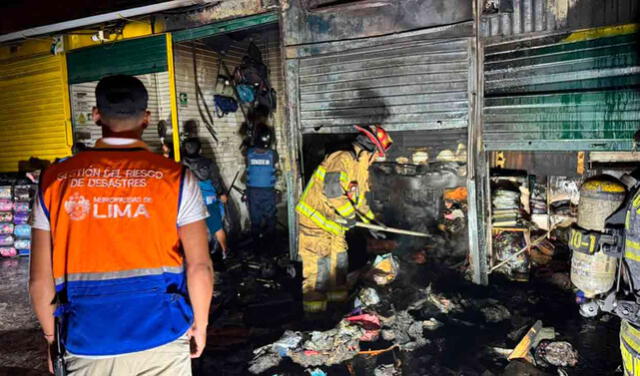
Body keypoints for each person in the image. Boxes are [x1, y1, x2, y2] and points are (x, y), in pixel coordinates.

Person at [29, 75, 213, 375]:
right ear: (147, 118)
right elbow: (200, 267)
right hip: (162, 335)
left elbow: (38, 280)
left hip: (87, 340)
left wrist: (52, 340)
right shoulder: (176, 178)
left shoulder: (53, 180)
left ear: (96, 115)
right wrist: (200, 325)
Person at [295, 125, 392, 312]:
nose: (376, 160)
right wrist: (349, 216)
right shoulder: (342, 159)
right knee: (319, 270)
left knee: (339, 263)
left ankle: (336, 308)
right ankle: (314, 315)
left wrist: (373, 223)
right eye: (377, 155)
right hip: (315, 222)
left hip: (334, 226)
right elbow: (332, 192)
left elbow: (359, 201)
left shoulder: (359, 168)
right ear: (368, 149)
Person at [182, 137, 229, 256]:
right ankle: (225, 253)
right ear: (200, 150)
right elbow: (216, 181)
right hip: (209, 201)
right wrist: (221, 194)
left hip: (190, 203)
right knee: (217, 228)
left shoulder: (180, 163)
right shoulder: (208, 163)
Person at [245, 123, 279, 249]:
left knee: (255, 219)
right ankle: (271, 245)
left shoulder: (248, 153)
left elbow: (250, 150)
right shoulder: (273, 154)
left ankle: (256, 246)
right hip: (268, 191)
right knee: (271, 218)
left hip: (253, 192)